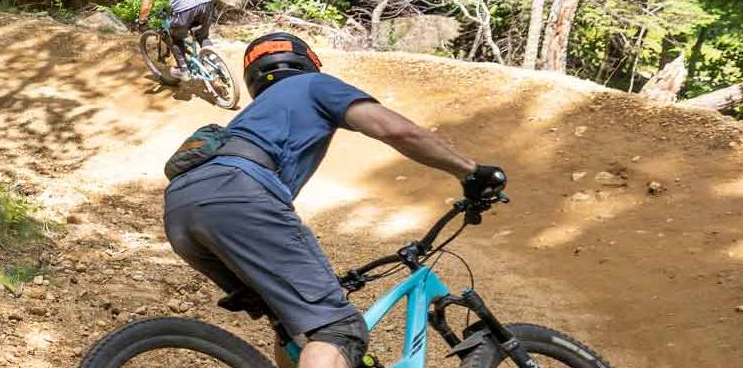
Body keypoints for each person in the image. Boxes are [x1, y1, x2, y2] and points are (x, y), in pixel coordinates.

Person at [162, 32, 507, 368]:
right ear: (308, 62)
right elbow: (398, 130)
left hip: (181, 209)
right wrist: (470, 171)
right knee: (338, 329)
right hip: (237, 194)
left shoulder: (254, 117)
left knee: (294, 326)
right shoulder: (314, 85)